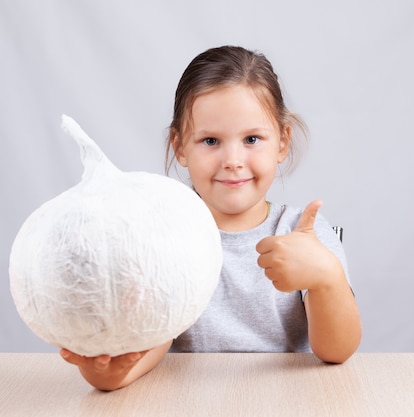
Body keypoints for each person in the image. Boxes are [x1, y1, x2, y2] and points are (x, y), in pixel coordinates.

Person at [61, 45, 362, 391]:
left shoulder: (302, 234)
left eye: (251, 139)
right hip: (188, 400)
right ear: (179, 146)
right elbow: (150, 346)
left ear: (282, 141)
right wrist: (107, 371)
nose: (233, 159)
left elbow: (338, 351)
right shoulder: (164, 238)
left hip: (288, 400)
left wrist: (326, 278)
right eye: (210, 140)